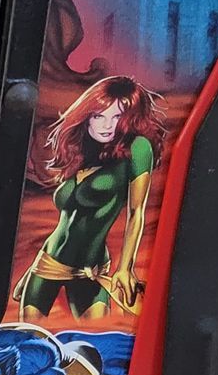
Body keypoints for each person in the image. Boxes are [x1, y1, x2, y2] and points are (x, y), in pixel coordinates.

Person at [17, 75, 165, 321]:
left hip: (90, 270)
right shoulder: (83, 151)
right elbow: (66, 224)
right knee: (28, 340)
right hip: (47, 265)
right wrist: (32, 268)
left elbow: (136, 212)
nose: (107, 125)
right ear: (86, 118)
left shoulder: (137, 148)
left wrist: (125, 267)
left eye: (117, 117)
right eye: (98, 116)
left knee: (100, 340)